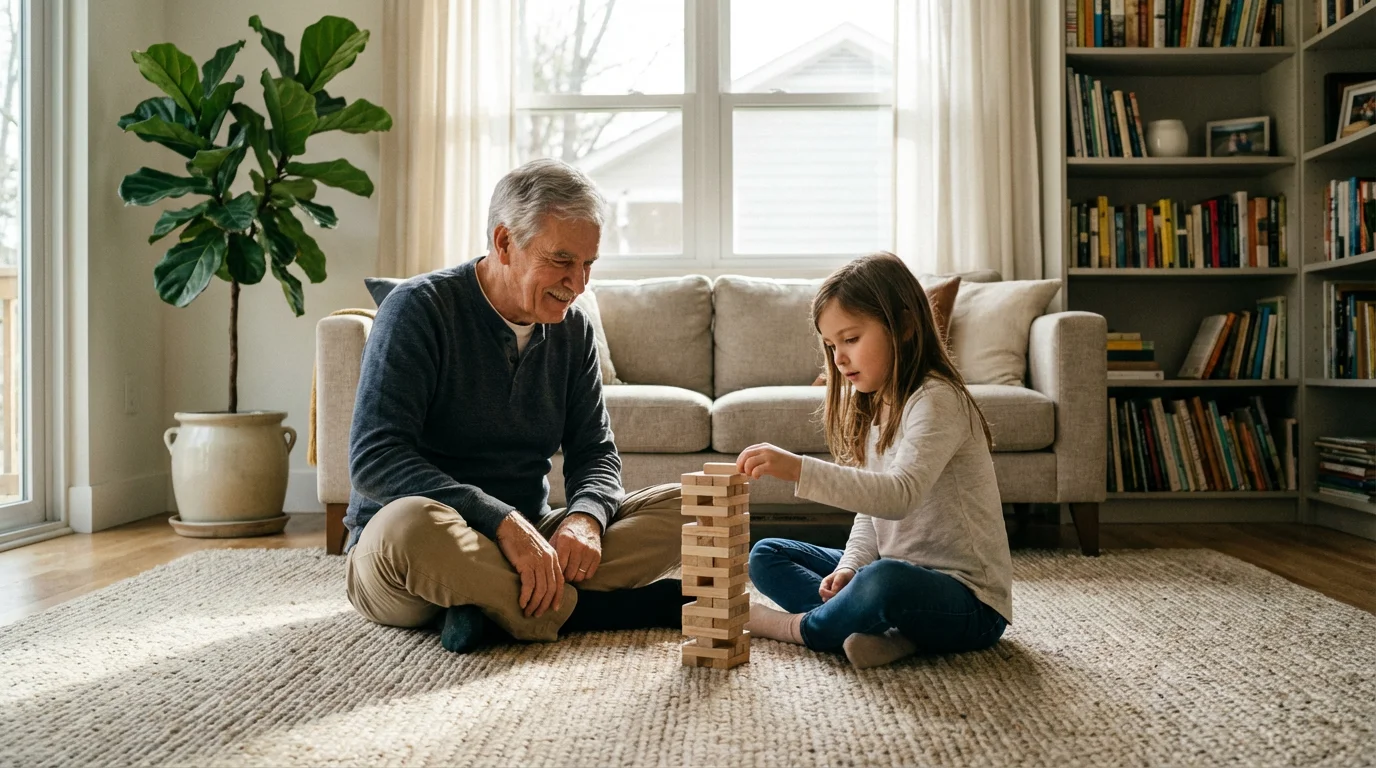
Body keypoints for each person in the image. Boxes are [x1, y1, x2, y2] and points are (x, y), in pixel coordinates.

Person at [343, 158, 684, 653]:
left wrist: (584, 518)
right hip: (422, 549)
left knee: (691, 508)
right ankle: (591, 611)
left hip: (532, 540)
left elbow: (596, 454)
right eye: (563, 260)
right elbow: (374, 460)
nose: (579, 282)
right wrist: (501, 522)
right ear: (505, 243)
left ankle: (488, 604)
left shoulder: (574, 330)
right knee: (407, 526)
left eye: (588, 263)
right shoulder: (417, 310)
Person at [736, 252, 1013, 668]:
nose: (838, 359)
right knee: (767, 553)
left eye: (850, 339)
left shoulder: (937, 400)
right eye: (831, 346)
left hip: (970, 604)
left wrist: (797, 468)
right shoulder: (875, 405)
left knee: (884, 581)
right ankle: (883, 633)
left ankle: (799, 628)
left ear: (903, 326)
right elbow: (872, 515)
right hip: (894, 573)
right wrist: (849, 568)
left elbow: (898, 496)